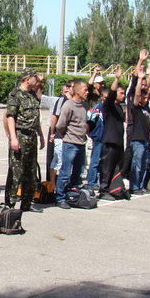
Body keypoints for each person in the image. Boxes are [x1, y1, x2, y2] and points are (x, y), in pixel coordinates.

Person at [5, 68, 45, 211]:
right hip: (20, 135)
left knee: (31, 171)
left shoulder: (32, 94)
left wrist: (40, 135)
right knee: (16, 172)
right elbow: (10, 117)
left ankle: (26, 204)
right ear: (28, 79)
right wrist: (13, 138)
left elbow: (36, 117)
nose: (37, 79)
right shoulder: (15, 94)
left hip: (32, 136)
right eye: (35, 77)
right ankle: (9, 204)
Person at [55, 81, 90, 209]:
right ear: (77, 91)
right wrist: (68, 136)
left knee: (78, 173)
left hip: (81, 143)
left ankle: (73, 196)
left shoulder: (84, 105)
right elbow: (60, 125)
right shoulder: (68, 105)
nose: (87, 92)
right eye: (85, 90)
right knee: (65, 173)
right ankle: (60, 198)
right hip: (70, 143)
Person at [98, 68, 126, 197]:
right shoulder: (108, 105)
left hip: (118, 142)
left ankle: (113, 189)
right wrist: (116, 79)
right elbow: (112, 93)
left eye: (124, 93)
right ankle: (103, 190)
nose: (123, 95)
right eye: (122, 93)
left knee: (116, 167)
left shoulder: (119, 107)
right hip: (109, 142)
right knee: (107, 168)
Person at [127, 67, 150, 194]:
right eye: (144, 97)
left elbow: (148, 124)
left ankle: (141, 186)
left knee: (143, 165)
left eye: (147, 97)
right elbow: (137, 94)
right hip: (137, 140)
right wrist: (140, 79)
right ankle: (134, 186)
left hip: (145, 139)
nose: (146, 99)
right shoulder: (136, 107)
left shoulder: (146, 108)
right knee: (136, 165)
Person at [47, 80, 73, 186]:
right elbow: (54, 117)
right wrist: (52, 133)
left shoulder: (74, 102)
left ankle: (65, 185)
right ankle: (53, 185)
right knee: (58, 162)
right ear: (67, 88)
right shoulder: (61, 101)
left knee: (67, 163)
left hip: (70, 136)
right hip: (59, 136)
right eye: (72, 87)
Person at [85, 88, 107, 189]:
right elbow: (89, 121)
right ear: (101, 97)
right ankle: (91, 182)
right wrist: (90, 133)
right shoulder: (97, 108)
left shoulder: (110, 108)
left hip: (107, 139)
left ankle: (101, 180)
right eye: (105, 98)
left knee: (104, 162)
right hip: (98, 138)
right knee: (95, 161)